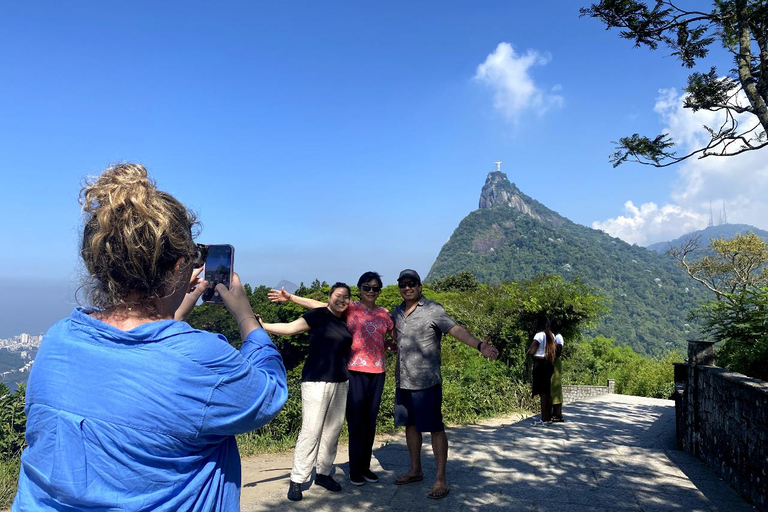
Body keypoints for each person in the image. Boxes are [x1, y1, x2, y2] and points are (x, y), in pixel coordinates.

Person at [13, 163, 288, 511]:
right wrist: (246, 316)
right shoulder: (201, 361)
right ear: (178, 267)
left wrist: (170, 314)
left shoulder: (58, 341)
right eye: (192, 257)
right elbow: (269, 393)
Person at [269, 271, 395, 486]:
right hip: (352, 372)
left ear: (379, 290)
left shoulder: (384, 313)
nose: (371, 291)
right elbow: (317, 306)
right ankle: (350, 470)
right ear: (360, 289)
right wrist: (291, 298)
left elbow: (395, 335)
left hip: (373, 373)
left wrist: (396, 345)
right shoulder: (351, 307)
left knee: (363, 423)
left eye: (375, 288)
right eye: (367, 287)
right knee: (349, 423)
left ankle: (360, 468)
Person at [391, 269, 499, 500]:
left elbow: (455, 329)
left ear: (420, 286)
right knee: (410, 425)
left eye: (412, 283)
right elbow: (394, 338)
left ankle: (440, 478)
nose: (407, 287)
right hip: (403, 380)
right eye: (403, 284)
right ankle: (415, 469)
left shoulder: (433, 310)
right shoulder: (397, 312)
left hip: (427, 381)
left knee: (435, 428)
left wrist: (480, 346)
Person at [260, 283, 353, 502]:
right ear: (330, 297)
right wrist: (263, 326)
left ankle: (323, 473)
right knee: (311, 431)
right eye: (338, 296)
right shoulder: (318, 315)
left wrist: (292, 297)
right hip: (315, 381)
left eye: (346, 297)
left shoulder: (347, 318)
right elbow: (291, 328)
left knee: (332, 431)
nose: (342, 300)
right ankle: (297, 479)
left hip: (340, 381)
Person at [528, 319, 557, 425]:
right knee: (547, 392)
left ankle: (543, 418)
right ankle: (548, 417)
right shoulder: (552, 335)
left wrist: (529, 351)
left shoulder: (539, 335)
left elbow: (532, 351)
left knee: (542, 393)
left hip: (540, 364)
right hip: (549, 364)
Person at [551, 330, 565, 422]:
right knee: (552, 388)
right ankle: (554, 412)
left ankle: (558, 414)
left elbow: (558, 352)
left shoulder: (558, 336)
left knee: (556, 387)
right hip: (553, 363)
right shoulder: (555, 336)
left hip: (555, 363)